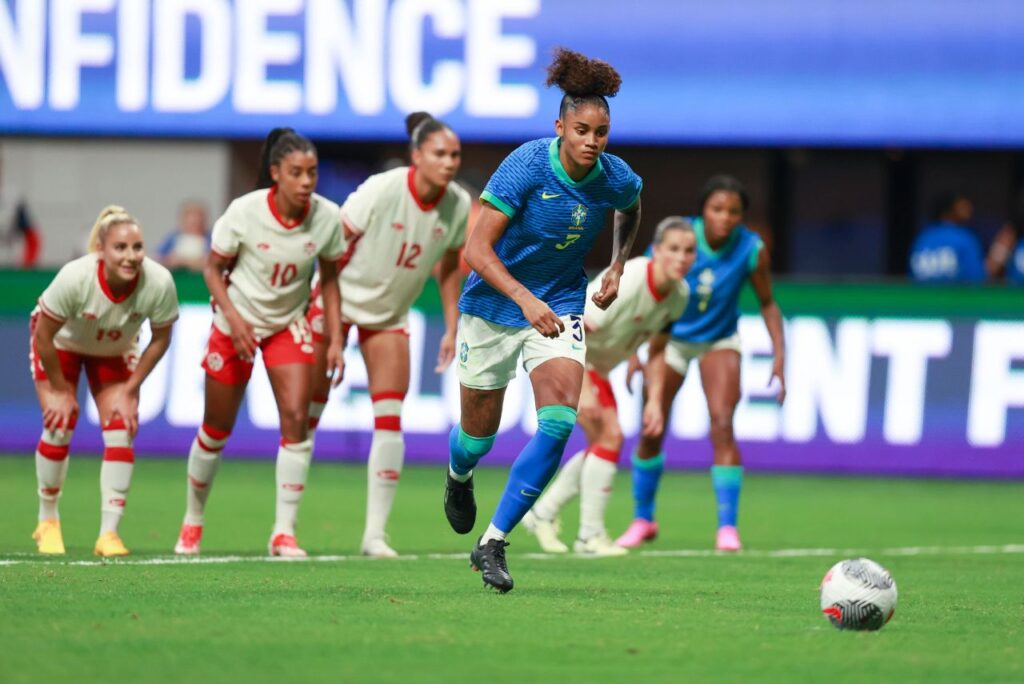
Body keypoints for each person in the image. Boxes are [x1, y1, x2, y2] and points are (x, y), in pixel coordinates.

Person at [442, 48, 643, 592]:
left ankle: (493, 541)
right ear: (560, 126)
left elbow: (632, 203)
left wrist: (618, 265)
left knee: (558, 423)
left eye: (601, 131)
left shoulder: (612, 176)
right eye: (582, 129)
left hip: (560, 306)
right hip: (492, 307)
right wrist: (525, 300)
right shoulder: (527, 165)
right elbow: (476, 252)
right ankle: (459, 477)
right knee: (476, 438)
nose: (592, 141)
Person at [174, 128, 346, 557]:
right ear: (276, 174)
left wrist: (337, 337)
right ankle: (192, 520)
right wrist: (234, 320)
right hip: (236, 324)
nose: (307, 181)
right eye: (296, 173)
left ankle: (283, 532)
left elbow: (330, 280)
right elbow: (213, 271)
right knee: (216, 429)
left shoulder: (326, 218)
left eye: (312, 172)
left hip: (288, 325)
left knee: (296, 421)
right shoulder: (244, 213)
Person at [306, 112, 470, 558]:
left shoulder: (458, 204)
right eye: (439, 153)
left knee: (391, 419)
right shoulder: (382, 189)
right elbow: (332, 253)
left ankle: (374, 535)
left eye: (455, 154)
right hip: (337, 302)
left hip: (391, 314)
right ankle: (285, 527)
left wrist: (452, 324)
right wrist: (330, 326)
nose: (450, 162)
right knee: (306, 415)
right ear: (417, 156)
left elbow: (451, 265)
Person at [616, 175, 786, 552]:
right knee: (651, 427)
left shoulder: (752, 250)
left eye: (734, 212)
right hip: (668, 340)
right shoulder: (679, 241)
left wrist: (779, 356)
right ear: (703, 211)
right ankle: (643, 519)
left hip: (718, 340)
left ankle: (727, 528)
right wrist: (633, 351)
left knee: (723, 422)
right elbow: (640, 294)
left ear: (743, 216)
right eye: (717, 209)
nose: (725, 218)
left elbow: (768, 303)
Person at [522, 217, 697, 556]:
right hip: (566, 353)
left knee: (603, 444)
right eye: (673, 249)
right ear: (657, 251)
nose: (681, 257)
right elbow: (578, 328)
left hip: (596, 364)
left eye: (689, 251)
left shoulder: (679, 295)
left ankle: (543, 513)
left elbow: (658, 351)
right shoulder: (631, 279)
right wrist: (582, 386)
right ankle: (589, 535)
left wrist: (655, 401)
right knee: (611, 437)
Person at [30, 205, 178, 556]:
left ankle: (108, 534)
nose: (131, 256)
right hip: (60, 345)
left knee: (120, 427)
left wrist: (131, 390)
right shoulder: (75, 277)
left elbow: (161, 338)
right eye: (121, 248)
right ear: (101, 249)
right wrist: (60, 391)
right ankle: (47, 521)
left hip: (114, 349)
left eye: (137, 247)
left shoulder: (158, 283)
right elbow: (44, 338)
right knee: (59, 422)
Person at [908, 192, 986, 283]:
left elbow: (910, 279)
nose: (969, 209)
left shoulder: (922, 238)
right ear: (948, 210)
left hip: (921, 296)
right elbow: (977, 279)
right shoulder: (964, 237)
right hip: (956, 296)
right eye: (962, 207)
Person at [157, 201, 210, 272]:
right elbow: (158, 258)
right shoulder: (173, 238)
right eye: (192, 223)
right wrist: (171, 260)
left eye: (198, 222)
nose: (195, 225)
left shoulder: (210, 239)